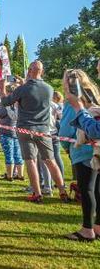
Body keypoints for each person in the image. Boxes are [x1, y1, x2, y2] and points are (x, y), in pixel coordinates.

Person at [0, 61, 69, 203]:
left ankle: (37, 193)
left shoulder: (23, 88)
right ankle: (62, 191)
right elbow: (34, 91)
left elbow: (6, 102)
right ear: (41, 72)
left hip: (26, 129)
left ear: (30, 71)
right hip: (44, 129)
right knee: (50, 160)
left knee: (30, 161)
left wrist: (2, 87)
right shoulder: (49, 88)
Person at [64, 61, 100, 241]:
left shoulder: (74, 102)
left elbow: (65, 129)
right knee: (96, 190)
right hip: (95, 151)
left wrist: (68, 148)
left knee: (86, 190)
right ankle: (97, 227)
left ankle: (87, 229)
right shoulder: (95, 96)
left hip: (83, 150)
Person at [0, 85, 24, 181]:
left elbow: (0, 114)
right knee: (17, 154)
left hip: (6, 131)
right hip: (17, 131)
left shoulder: (7, 101)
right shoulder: (19, 100)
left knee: (9, 154)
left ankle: (10, 175)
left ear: (6, 92)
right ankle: (20, 175)